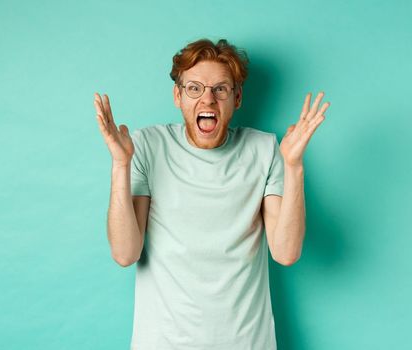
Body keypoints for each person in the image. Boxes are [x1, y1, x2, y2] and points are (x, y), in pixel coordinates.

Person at [93, 38, 329, 349]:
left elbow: (285, 252)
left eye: (220, 89)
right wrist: (121, 165)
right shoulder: (147, 146)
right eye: (194, 88)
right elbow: (125, 253)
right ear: (178, 95)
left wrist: (294, 165)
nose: (208, 100)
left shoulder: (264, 149)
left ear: (237, 97)